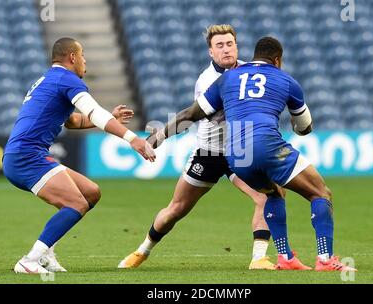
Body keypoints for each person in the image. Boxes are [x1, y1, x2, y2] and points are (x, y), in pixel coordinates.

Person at [146, 36, 357, 272]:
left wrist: (157, 137)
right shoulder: (287, 80)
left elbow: (189, 114)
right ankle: (325, 259)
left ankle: (286, 258)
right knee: (321, 192)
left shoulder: (228, 78)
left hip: (237, 156)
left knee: (273, 194)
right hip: (267, 145)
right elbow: (305, 128)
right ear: (277, 60)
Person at [118, 25, 308, 271]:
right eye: (219, 45)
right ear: (210, 52)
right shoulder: (207, 81)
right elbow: (191, 116)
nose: (226, 49)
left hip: (241, 150)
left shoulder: (249, 72)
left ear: (237, 47)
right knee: (177, 209)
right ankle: (142, 250)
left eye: (230, 44)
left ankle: (259, 258)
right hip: (210, 152)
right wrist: (157, 138)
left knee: (270, 194)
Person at [3, 37, 156, 274]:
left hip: (23, 154)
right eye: (82, 55)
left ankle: (46, 254)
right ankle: (29, 260)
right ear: (72, 57)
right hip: (26, 156)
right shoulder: (67, 79)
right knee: (75, 203)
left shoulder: (49, 80)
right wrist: (132, 138)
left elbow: (73, 121)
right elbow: (94, 112)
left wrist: (110, 119)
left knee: (90, 193)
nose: (85, 61)